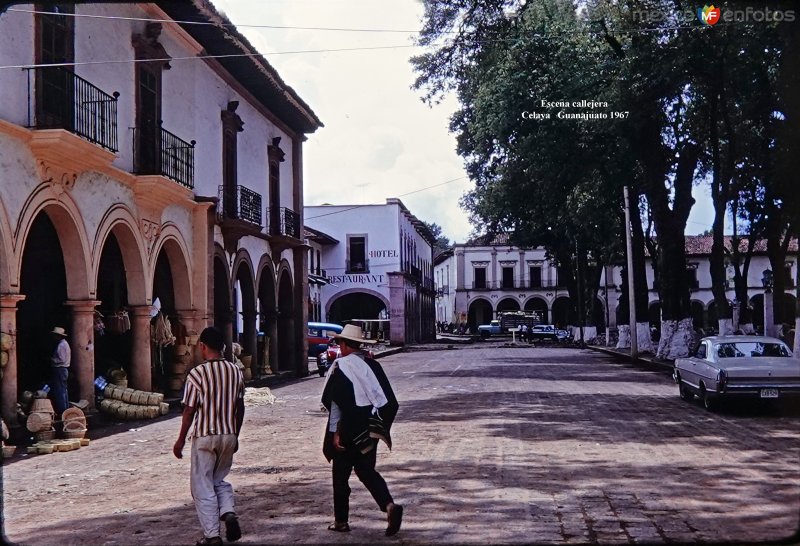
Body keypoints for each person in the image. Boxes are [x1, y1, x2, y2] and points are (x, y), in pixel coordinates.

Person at [321, 324, 403, 536]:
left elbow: (335, 404)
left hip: (348, 430)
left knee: (340, 475)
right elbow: (389, 402)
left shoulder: (341, 366)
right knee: (366, 471)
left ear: (346, 345)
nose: (339, 347)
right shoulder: (374, 366)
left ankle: (341, 521)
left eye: (340, 343)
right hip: (371, 429)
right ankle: (389, 506)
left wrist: (335, 433)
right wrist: (378, 429)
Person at [173, 327, 245, 546]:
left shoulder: (197, 374)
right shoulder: (235, 371)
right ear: (223, 347)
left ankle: (212, 536)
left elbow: (189, 411)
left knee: (202, 485)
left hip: (204, 436)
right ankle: (228, 511)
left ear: (203, 346)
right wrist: (236, 434)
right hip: (228, 433)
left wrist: (180, 440)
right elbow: (240, 407)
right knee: (218, 479)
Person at [49, 327, 71, 414]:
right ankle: (65, 409)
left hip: (60, 369)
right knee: (63, 389)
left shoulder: (61, 345)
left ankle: (62, 410)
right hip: (63, 369)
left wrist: (52, 360)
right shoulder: (64, 344)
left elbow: (61, 359)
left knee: (60, 390)